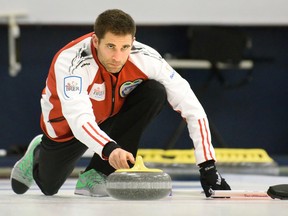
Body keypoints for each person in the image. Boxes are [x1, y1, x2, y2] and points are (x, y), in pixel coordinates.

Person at [10, 9, 230, 198]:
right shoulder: (71, 63)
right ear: (96, 41)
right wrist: (110, 149)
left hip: (108, 118)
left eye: (125, 47)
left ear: (132, 42)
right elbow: (79, 119)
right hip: (67, 128)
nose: (118, 56)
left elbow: (192, 107)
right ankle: (38, 151)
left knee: (154, 91)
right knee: (48, 187)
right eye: (111, 46)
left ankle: (97, 174)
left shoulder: (146, 57)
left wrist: (208, 165)